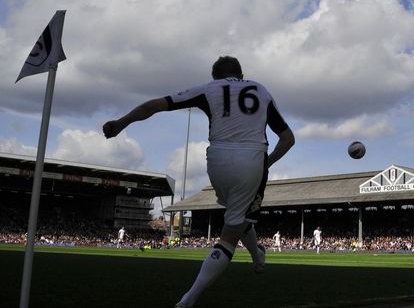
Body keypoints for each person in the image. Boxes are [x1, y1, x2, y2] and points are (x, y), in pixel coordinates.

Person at [102, 56, 295, 308]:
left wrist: (121, 123)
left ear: (215, 76)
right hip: (252, 157)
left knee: (237, 216)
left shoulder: (208, 89)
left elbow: (154, 105)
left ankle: (257, 255)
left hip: (217, 159)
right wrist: (266, 164)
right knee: (231, 231)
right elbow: (288, 139)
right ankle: (189, 299)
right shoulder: (261, 90)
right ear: (241, 73)